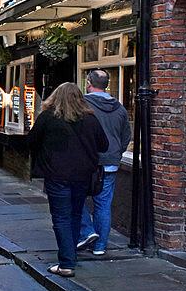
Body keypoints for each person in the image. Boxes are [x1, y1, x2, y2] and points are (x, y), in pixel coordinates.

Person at [27, 82, 108, 277]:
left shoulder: (48, 117)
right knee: (73, 215)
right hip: (81, 176)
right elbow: (103, 145)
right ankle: (70, 257)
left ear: (55, 97)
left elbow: (31, 142)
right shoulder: (90, 119)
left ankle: (66, 263)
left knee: (61, 217)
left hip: (56, 175)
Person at [77, 69, 132, 256]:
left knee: (75, 198)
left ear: (89, 83)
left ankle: (86, 232)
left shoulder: (81, 104)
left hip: (85, 161)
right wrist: (116, 152)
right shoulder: (119, 107)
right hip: (110, 163)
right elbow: (126, 136)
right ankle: (99, 246)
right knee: (103, 204)